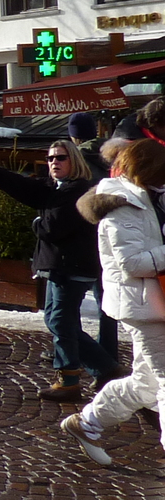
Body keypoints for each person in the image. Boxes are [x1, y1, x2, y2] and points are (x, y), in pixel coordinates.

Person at [0, 142, 118, 401]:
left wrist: (36, 222)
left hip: (71, 268)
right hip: (58, 266)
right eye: (50, 158)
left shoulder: (76, 190)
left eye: (60, 158)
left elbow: (52, 228)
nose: (54, 162)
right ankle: (105, 369)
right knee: (58, 321)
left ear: (74, 161)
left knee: (60, 321)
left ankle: (71, 378)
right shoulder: (55, 188)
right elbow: (24, 187)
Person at [61, 139, 165, 467]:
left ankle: (87, 423)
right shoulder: (121, 205)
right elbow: (132, 262)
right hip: (143, 307)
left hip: (157, 301)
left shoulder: (152, 195)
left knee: (146, 384)